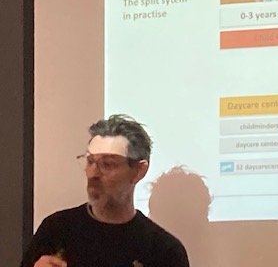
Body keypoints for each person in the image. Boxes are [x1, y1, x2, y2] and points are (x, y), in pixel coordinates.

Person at [21, 114, 189, 267]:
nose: (93, 174)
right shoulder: (56, 231)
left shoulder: (163, 252)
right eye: (90, 161)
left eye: (107, 164)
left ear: (139, 171)